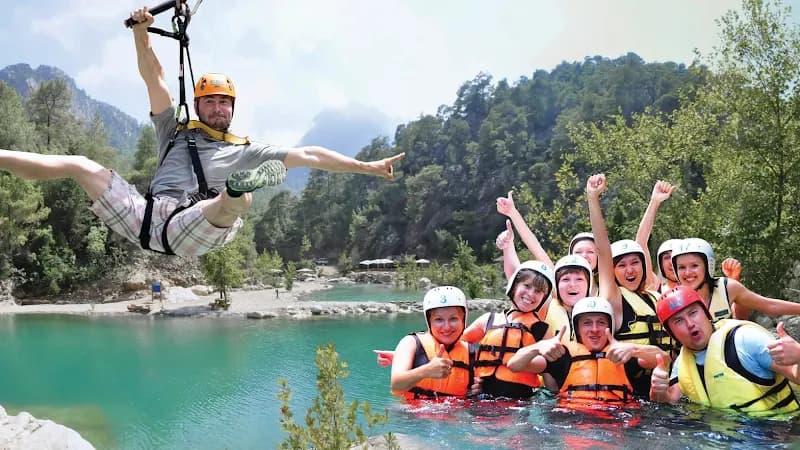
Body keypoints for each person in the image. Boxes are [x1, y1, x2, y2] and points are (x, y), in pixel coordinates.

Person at [0, 6, 404, 257]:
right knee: (80, 165)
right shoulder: (174, 129)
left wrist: (366, 167)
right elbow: (154, 78)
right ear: (197, 106)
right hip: (146, 216)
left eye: (224, 103)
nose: (217, 108)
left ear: (233, 109)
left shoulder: (247, 149)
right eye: (209, 102)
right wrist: (141, 34)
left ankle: (237, 191)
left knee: (238, 199)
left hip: (197, 225)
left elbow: (311, 154)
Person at [650, 286, 800, 416]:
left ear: (706, 313)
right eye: (678, 321)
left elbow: (796, 375)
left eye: (693, 313)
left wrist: (798, 355)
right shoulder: (682, 363)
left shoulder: (746, 338)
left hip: (781, 431)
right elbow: (669, 401)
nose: (690, 324)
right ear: (671, 333)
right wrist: (658, 391)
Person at [586, 174, 673, 396]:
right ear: (612, 271)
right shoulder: (613, 296)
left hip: (661, 388)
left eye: (635, 263)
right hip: (627, 394)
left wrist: (655, 202)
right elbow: (602, 248)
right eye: (622, 265)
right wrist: (592, 198)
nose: (630, 270)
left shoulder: (654, 295)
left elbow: (642, 240)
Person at [508, 297, 665, 407]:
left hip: (616, 424)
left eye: (601, 322)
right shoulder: (563, 357)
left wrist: (634, 349)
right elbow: (514, 365)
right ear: (577, 329)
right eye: (587, 323)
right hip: (574, 424)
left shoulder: (622, 355)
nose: (594, 329)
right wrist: (538, 347)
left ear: (609, 326)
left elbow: (663, 359)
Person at [466, 261, 557, 398]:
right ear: (514, 286)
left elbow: (551, 383)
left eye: (538, 291)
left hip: (521, 401)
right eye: (527, 286)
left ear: (543, 298)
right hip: (483, 397)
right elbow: (457, 347)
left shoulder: (541, 330)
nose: (531, 294)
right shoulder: (488, 320)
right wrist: (471, 378)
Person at [671, 238, 800, 322]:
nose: (687, 272)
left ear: (708, 266)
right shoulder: (673, 300)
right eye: (681, 267)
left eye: (694, 266)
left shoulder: (727, 287)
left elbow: (769, 306)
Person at [390, 286, 473, 400]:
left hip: (458, 411)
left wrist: (478, 389)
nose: (447, 327)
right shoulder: (410, 343)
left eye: (453, 319)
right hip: (412, 411)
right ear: (429, 322)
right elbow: (395, 385)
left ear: (463, 320)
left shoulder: (471, 353)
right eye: (439, 319)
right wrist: (426, 371)